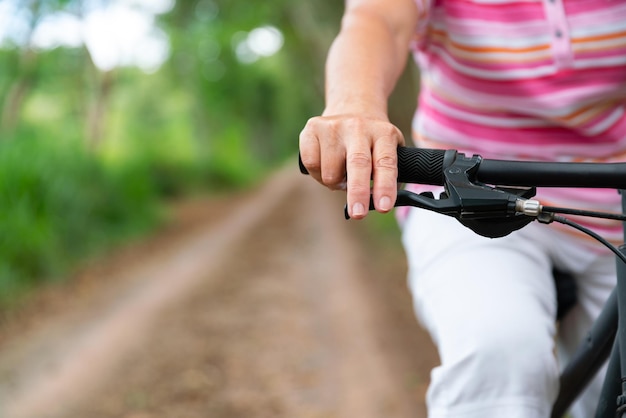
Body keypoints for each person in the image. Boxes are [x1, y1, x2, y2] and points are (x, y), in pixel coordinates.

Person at [298, 0, 626, 417]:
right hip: (469, 196)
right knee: (499, 355)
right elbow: (377, 19)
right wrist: (355, 106)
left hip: (612, 203)